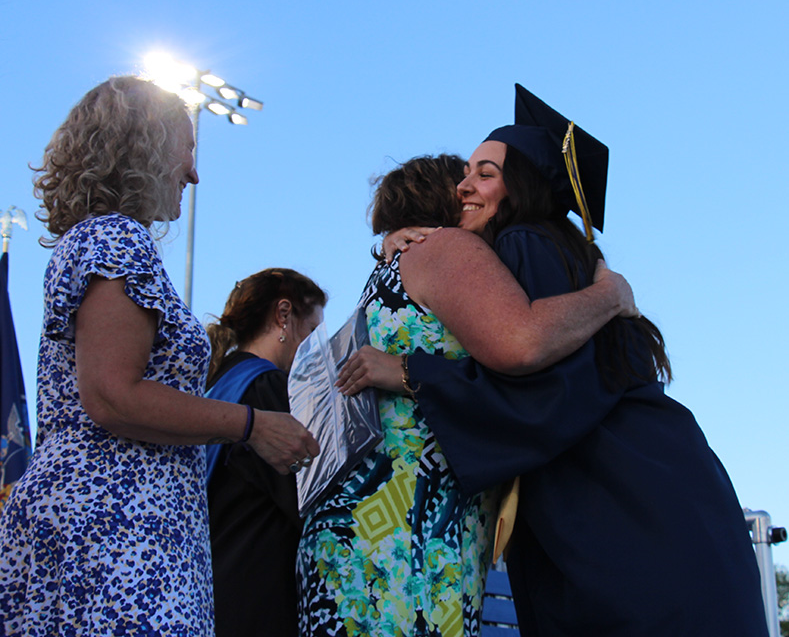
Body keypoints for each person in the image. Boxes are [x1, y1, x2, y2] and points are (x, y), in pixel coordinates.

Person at [342, 85, 769, 636]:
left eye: (485, 173)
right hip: (653, 495)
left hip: (624, 504)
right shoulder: (555, 256)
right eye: (464, 173)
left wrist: (407, 371)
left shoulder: (526, 244)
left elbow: (542, 386)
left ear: (521, 186)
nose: (463, 186)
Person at [0, 76, 319, 636]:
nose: (194, 172)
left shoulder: (98, 240)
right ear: (142, 146)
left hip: (118, 534)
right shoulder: (117, 240)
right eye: (187, 146)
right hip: (113, 534)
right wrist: (252, 425)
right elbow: (112, 394)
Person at [298, 153, 637, 637]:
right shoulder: (448, 249)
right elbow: (521, 342)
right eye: (463, 180)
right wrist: (611, 295)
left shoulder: (391, 266)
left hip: (357, 534)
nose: (469, 190)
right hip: (404, 539)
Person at [206, 268, 327, 637]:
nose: (314, 349)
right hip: (254, 593)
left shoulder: (217, 386)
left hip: (213, 584)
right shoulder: (268, 389)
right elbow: (305, 497)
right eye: (311, 333)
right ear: (284, 314)